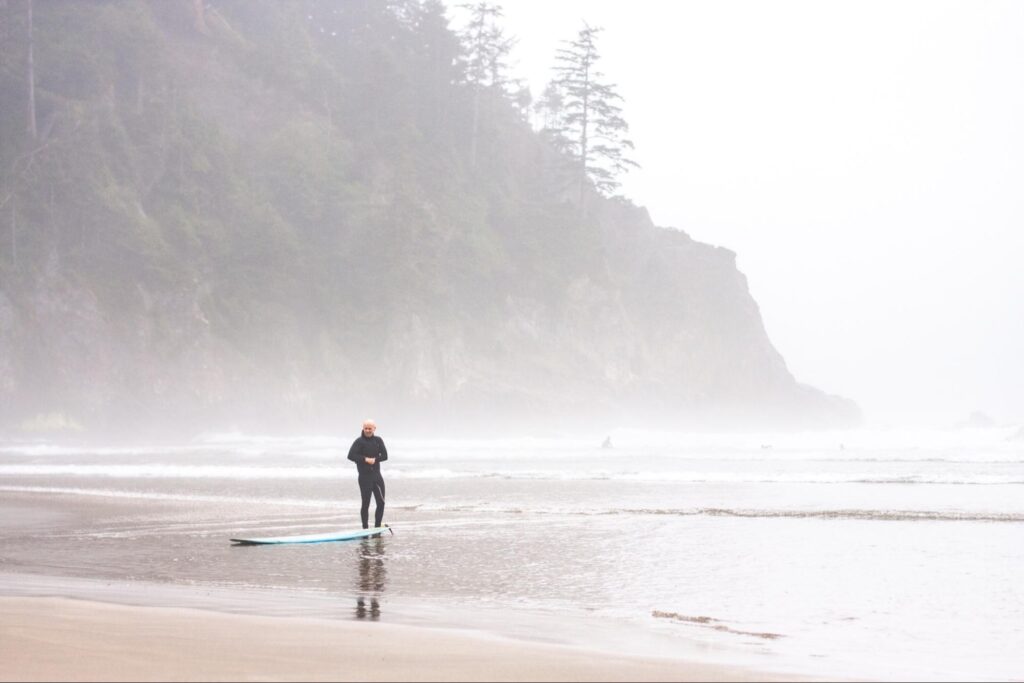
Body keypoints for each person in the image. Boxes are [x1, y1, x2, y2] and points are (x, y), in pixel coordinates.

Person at [347, 418, 388, 529]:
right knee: (366, 504)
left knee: (381, 503)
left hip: (377, 477)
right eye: (366, 428)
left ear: (374, 428)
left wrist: (375, 460)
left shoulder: (378, 440)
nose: (368, 430)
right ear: (363, 428)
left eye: (370, 428)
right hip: (364, 478)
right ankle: (365, 528)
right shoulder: (359, 442)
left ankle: (377, 526)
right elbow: (350, 456)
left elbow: (385, 456)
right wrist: (365, 459)